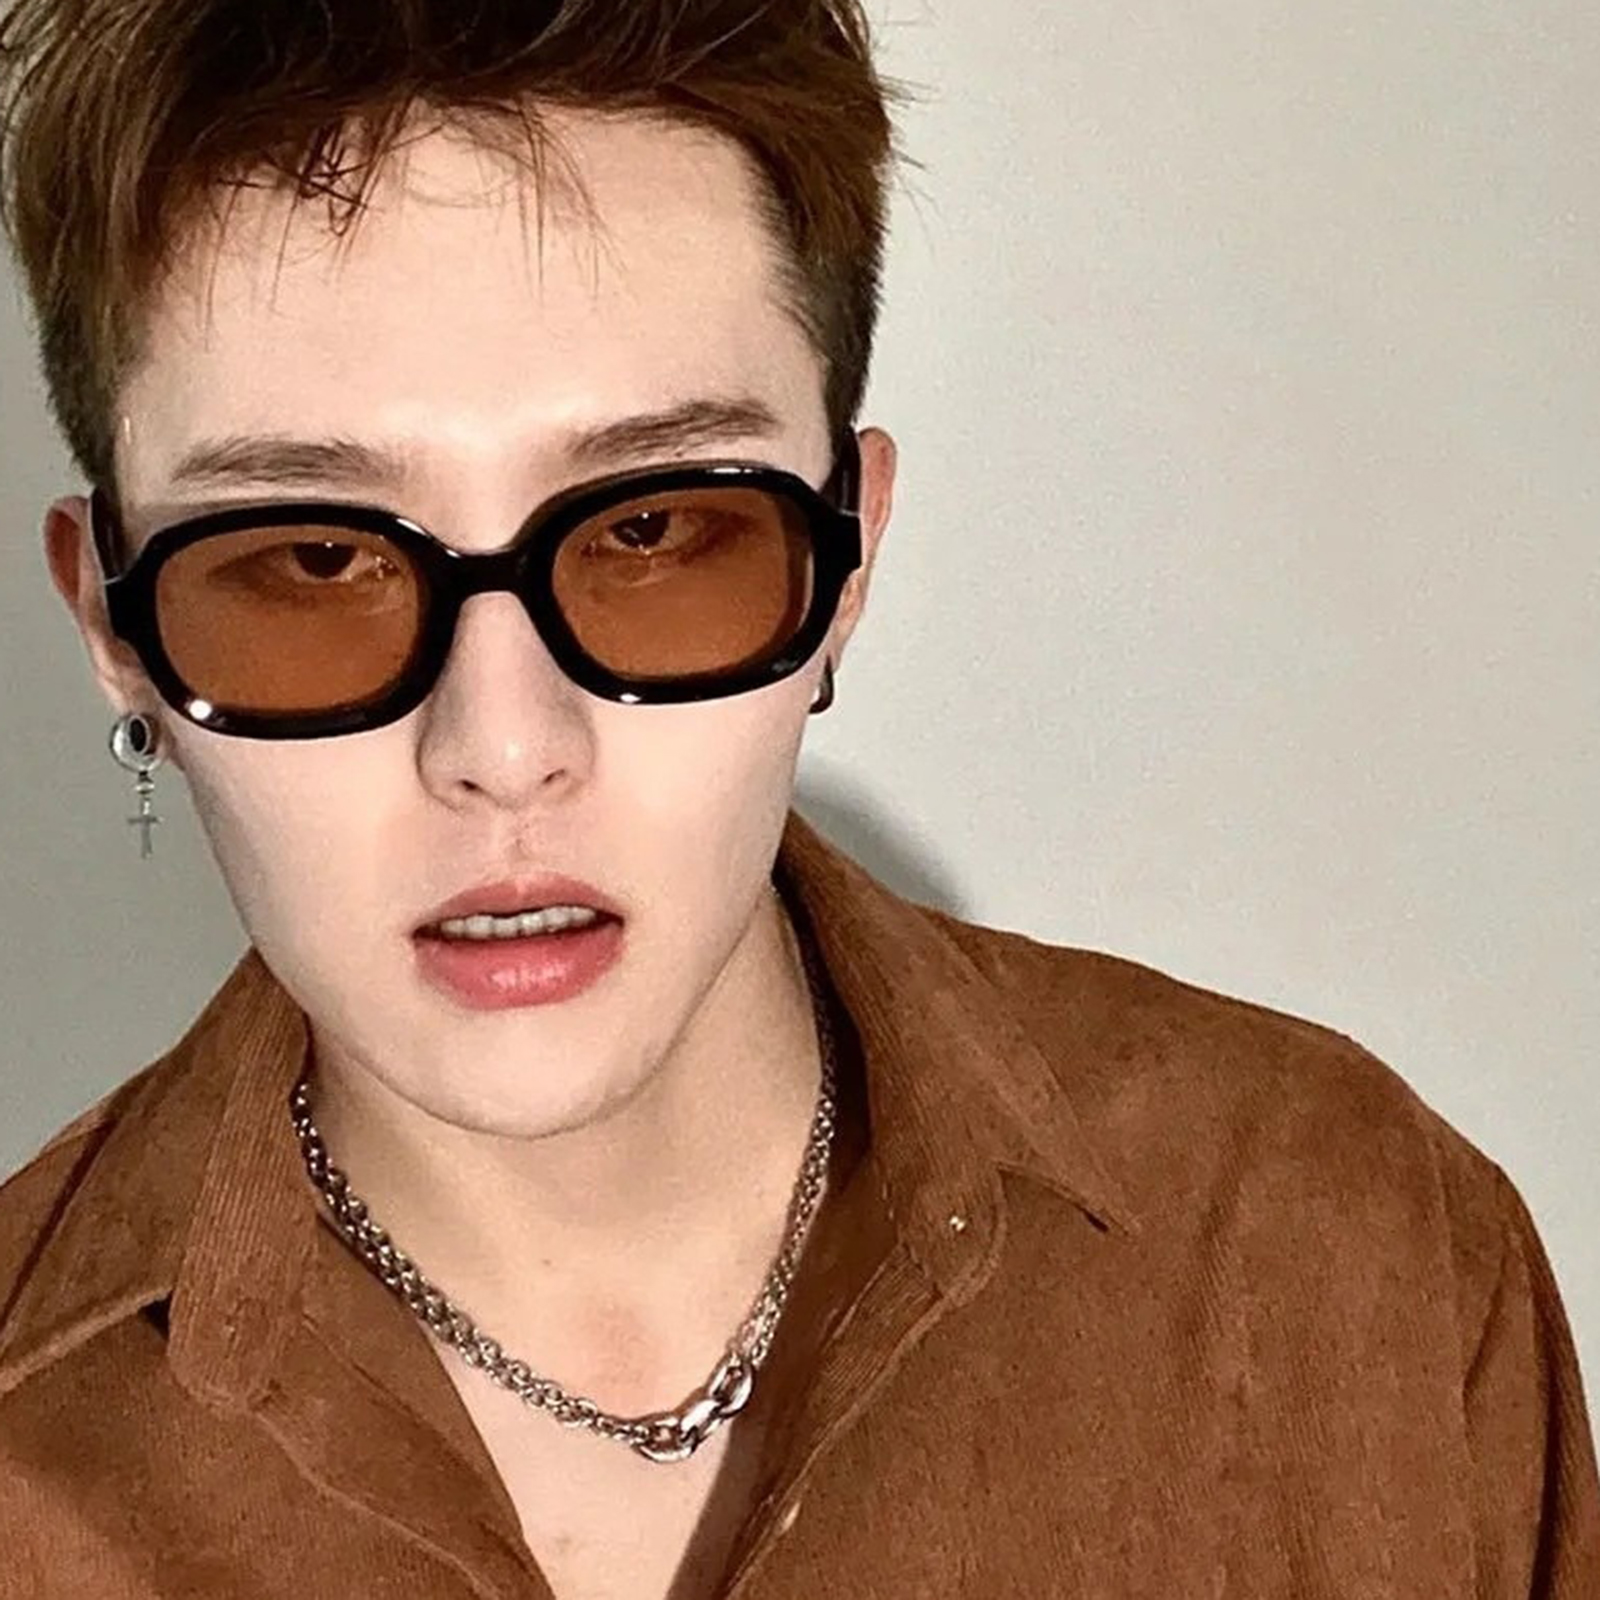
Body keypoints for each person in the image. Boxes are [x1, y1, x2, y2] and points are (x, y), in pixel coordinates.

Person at [0, 0, 1595, 1595]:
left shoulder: (1345, 1252)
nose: (504, 745)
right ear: (113, 631)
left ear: (848, 557)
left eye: (652, 534)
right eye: (310, 561)